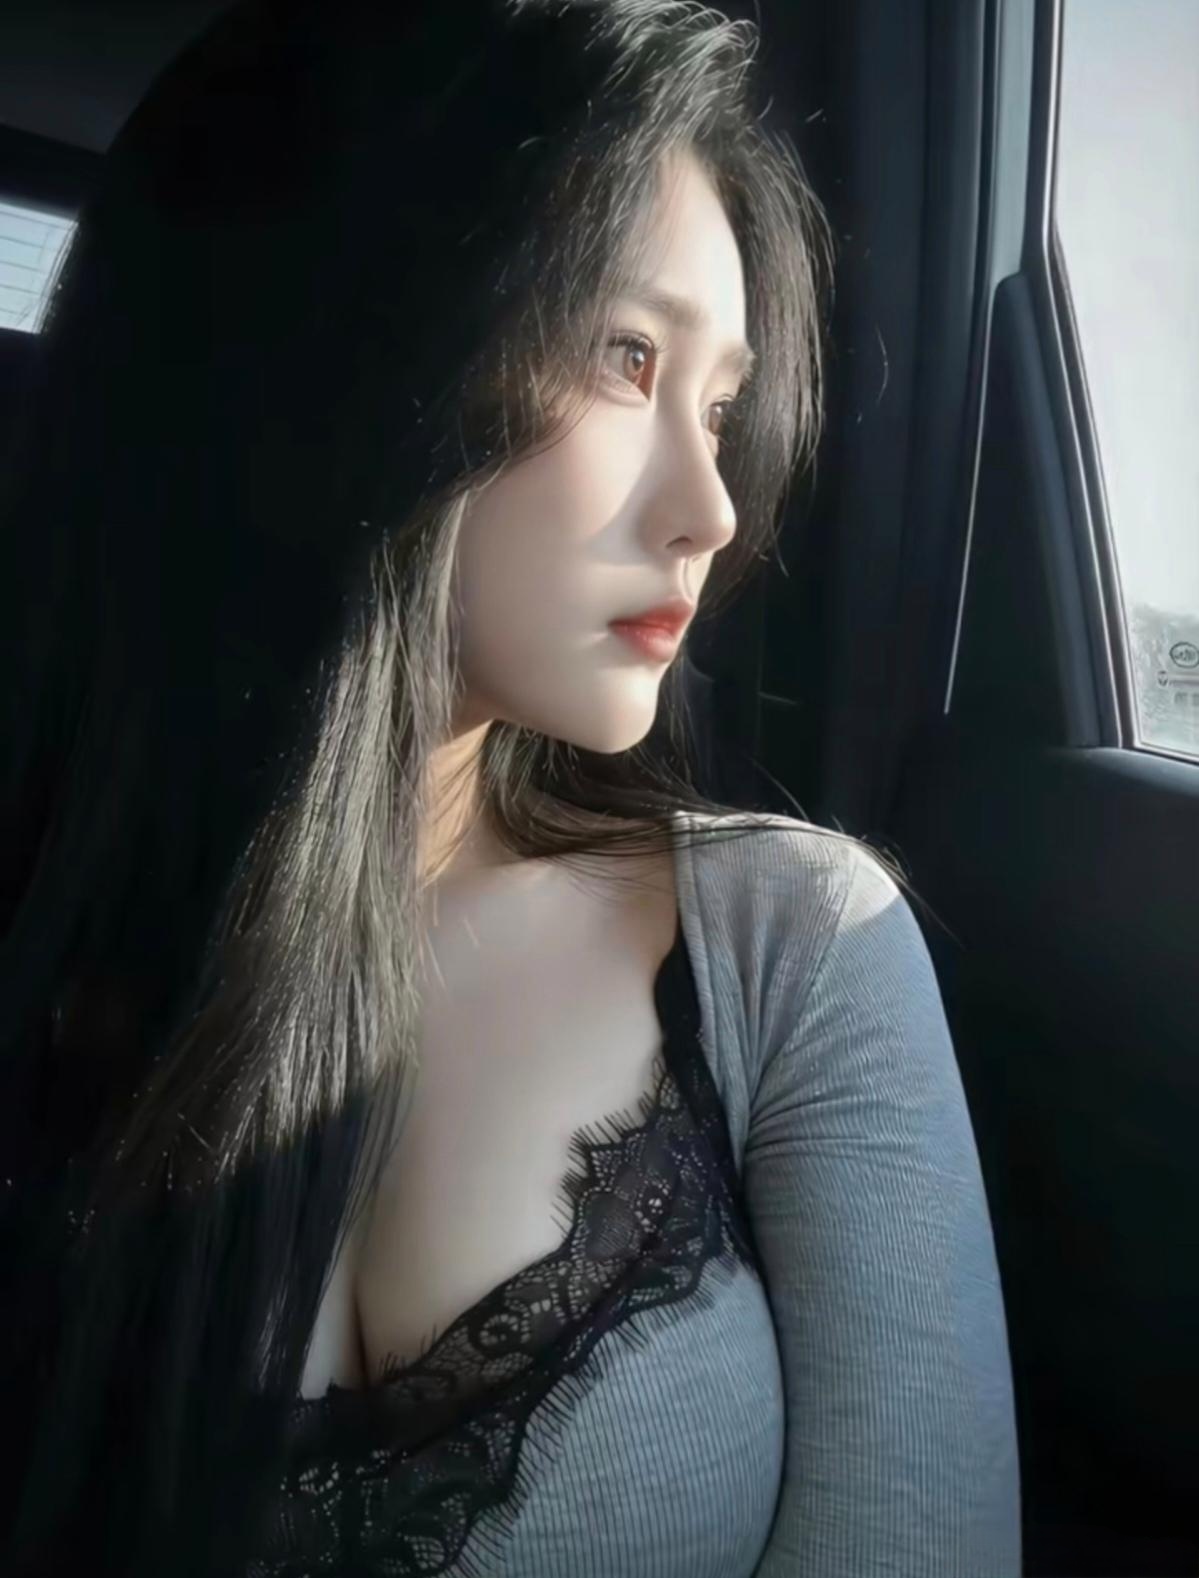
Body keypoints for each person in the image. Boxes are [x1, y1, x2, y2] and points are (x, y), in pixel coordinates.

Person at [0, 1, 1022, 1573]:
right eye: (628, 356)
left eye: (722, 407)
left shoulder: (794, 941)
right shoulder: (44, 940)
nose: (712, 508)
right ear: (357, 326)